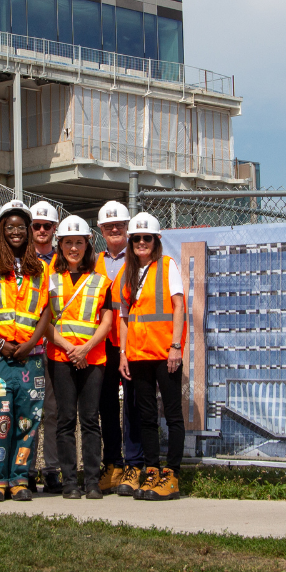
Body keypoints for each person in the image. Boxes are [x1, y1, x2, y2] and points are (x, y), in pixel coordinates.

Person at [0, 200, 49, 502]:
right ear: (1, 230)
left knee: (27, 423)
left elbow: (46, 311)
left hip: (31, 361)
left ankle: (19, 479)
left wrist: (30, 344)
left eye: (21, 227)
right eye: (10, 227)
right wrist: (1, 343)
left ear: (28, 231)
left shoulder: (41, 268)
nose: (16, 232)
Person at [42, 216, 113, 499]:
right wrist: (70, 349)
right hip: (61, 356)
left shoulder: (101, 282)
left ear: (88, 244)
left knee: (90, 420)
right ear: (60, 245)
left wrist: (84, 349)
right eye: (68, 243)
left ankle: (92, 482)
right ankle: (70, 481)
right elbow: (44, 321)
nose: (74, 248)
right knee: (65, 419)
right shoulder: (49, 280)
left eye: (79, 243)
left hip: (92, 358)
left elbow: (106, 322)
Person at [118, 212, 186, 501]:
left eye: (147, 238)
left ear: (157, 241)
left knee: (172, 415)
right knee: (145, 416)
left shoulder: (167, 266)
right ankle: (152, 470)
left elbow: (179, 307)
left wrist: (176, 347)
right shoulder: (127, 272)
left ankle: (171, 475)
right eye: (136, 239)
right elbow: (124, 316)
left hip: (164, 354)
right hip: (137, 354)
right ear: (131, 242)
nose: (141, 243)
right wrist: (122, 353)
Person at [95, 200, 143, 496]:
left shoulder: (138, 257)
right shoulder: (93, 260)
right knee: (107, 405)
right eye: (109, 226)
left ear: (127, 228)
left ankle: (134, 464)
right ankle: (112, 463)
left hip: (131, 343)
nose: (114, 229)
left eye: (119, 225)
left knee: (134, 405)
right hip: (101, 344)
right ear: (100, 229)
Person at [29, 199, 62, 495]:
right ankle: (26, 469)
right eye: (36, 226)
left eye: (47, 226)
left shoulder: (63, 261)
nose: (41, 230)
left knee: (51, 410)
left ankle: (51, 468)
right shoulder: (19, 261)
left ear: (54, 229)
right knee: (28, 409)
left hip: (55, 347)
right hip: (28, 346)